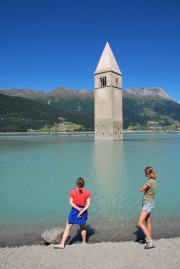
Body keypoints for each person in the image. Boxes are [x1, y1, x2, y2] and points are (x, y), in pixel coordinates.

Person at [54, 177, 91, 249]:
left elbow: (70, 203)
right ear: (84, 184)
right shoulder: (87, 192)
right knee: (82, 226)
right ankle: (83, 242)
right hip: (83, 210)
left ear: (77, 184)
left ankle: (62, 244)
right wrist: (82, 211)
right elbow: (88, 204)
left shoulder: (72, 191)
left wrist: (78, 209)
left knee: (67, 227)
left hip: (74, 210)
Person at [137, 166, 157, 249]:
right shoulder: (154, 181)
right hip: (150, 202)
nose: (144, 174)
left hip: (147, 203)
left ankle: (150, 241)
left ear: (147, 173)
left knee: (140, 222)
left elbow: (141, 189)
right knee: (147, 220)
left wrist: (145, 185)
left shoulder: (150, 181)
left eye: (145, 172)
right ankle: (148, 239)